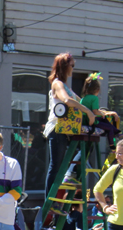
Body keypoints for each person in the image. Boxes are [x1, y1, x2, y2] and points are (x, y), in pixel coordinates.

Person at [43, 53, 96, 204]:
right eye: (72, 65)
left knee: (87, 146)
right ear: (65, 66)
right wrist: (87, 112)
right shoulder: (57, 83)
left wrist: (101, 111)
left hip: (68, 130)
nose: (73, 68)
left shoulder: (66, 86)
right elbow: (67, 100)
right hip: (57, 129)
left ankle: (71, 173)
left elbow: (81, 102)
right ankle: (50, 201)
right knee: (56, 165)